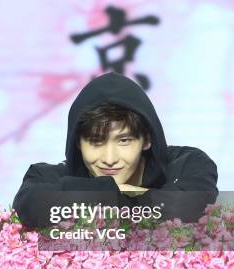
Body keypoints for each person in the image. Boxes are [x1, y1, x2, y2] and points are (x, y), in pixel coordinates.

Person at [13, 72, 218, 228]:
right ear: (77, 142)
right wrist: (135, 195)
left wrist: (90, 196)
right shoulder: (45, 175)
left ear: (147, 139)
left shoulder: (187, 164)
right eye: (96, 142)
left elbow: (186, 208)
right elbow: (33, 206)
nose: (109, 159)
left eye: (124, 141)